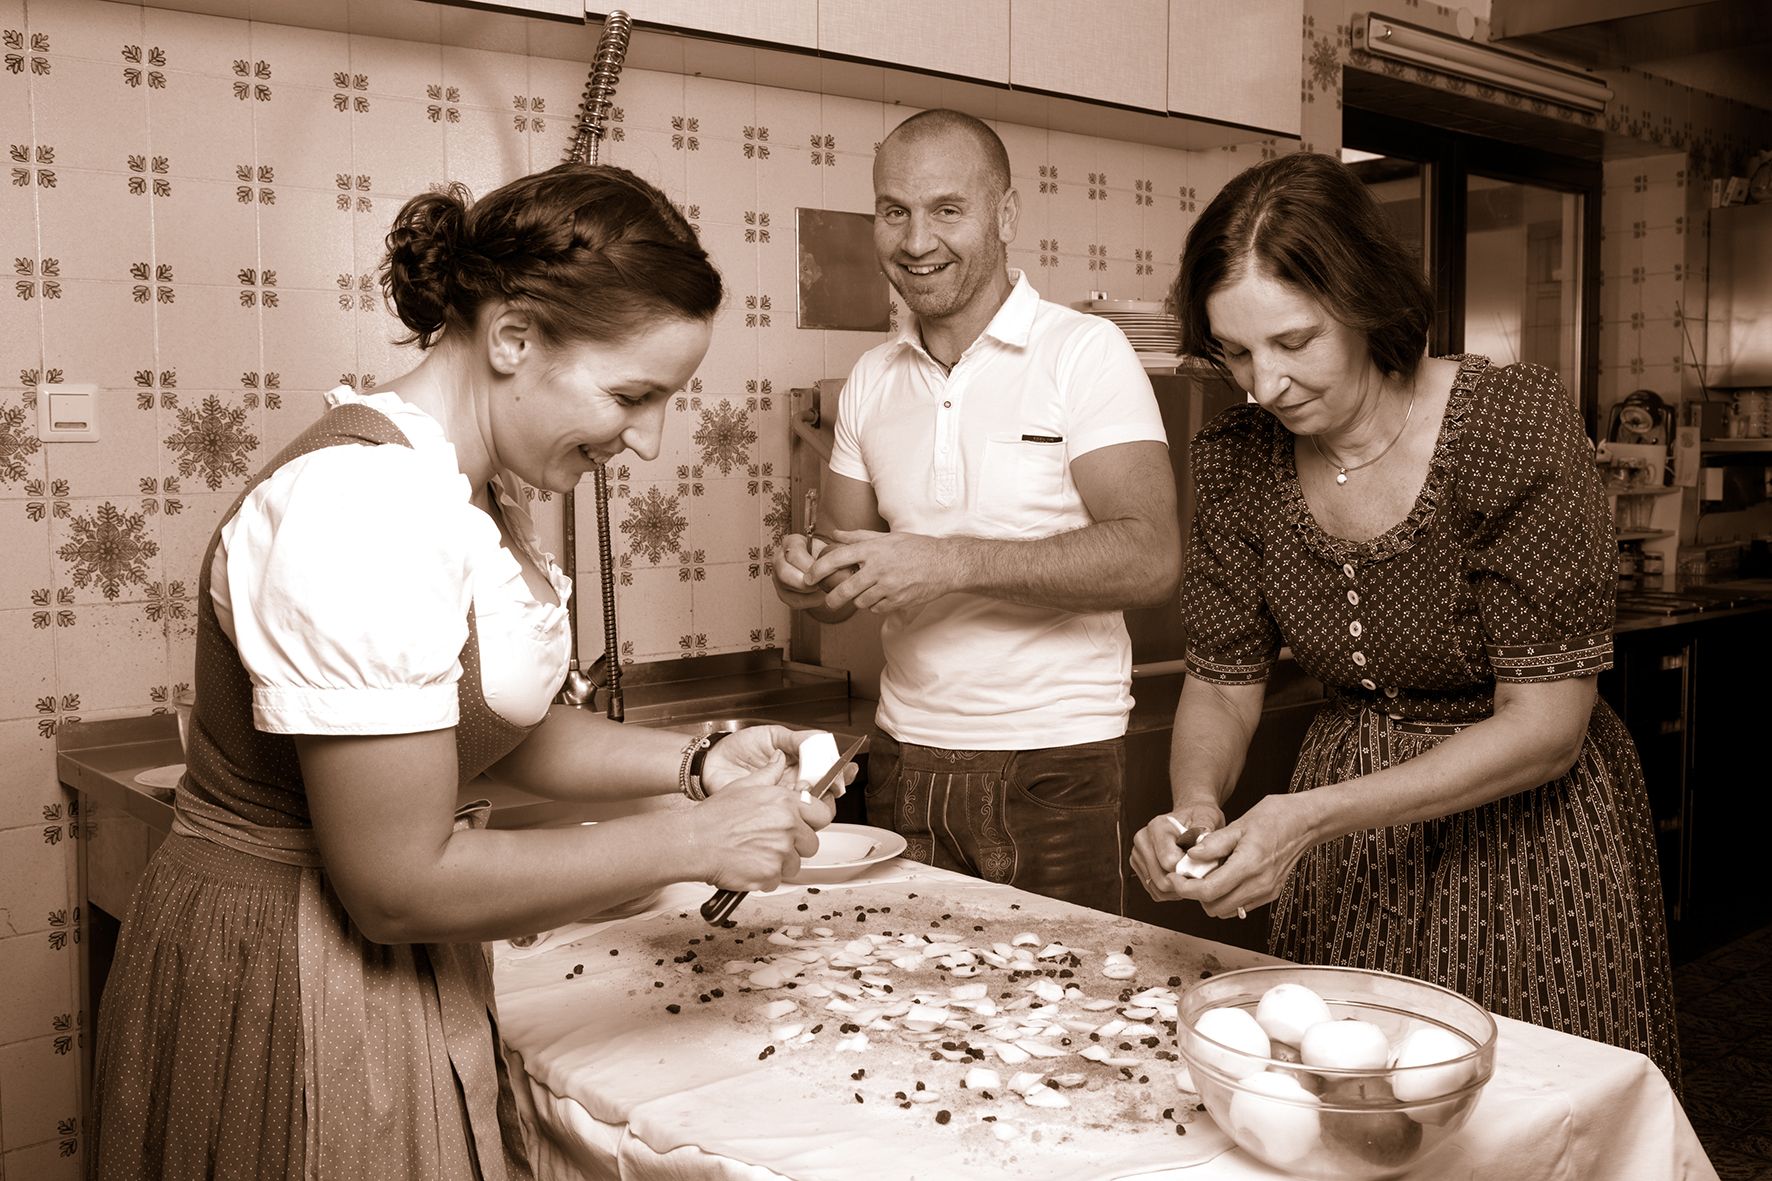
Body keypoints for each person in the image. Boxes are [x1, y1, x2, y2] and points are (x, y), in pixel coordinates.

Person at [91, 163, 841, 1180]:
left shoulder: (463, 489)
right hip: (291, 972)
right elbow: (397, 884)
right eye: (633, 393)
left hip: (375, 963)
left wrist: (699, 762)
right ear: (513, 339)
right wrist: (696, 838)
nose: (651, 438)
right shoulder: (361, 510)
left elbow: (495, 727)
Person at [1129, 151, 1679, 1086]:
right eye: (1235, 351)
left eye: (1294, 342)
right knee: (1340, 1102)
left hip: (1531, 847)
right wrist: (1197, 810)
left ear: (1368, 300)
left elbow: (1548, 727)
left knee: (1530, 1115)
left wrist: (1309, 819)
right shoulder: (1234, 454)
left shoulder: (1510, 423)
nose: (1263, 384)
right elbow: (1222, 680)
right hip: (1347, 857)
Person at [772, 109, 1181, 915]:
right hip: (903, 759)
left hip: (1053, 765)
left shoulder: (1086, 353)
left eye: (947, 210)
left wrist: (951, 559)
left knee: (1061, 1023)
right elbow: (840, 578)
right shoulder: (870, 380)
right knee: (902, 1017)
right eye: (895, 211)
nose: (916, 239)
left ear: (1006, 215)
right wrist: (805, 578)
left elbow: (1151, 555)